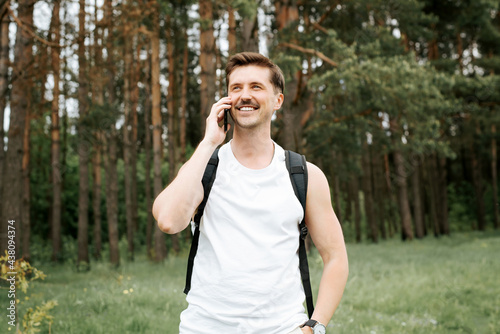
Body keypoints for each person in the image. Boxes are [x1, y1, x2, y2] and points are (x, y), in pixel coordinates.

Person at [153, 52, 348, 334]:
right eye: (236, 88)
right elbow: (168, 221)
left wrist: (314, 327)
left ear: (278, 100)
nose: (245, 95)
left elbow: (336, 258)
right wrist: (209, 142)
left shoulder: (305, 175)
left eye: (256, 87)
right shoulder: (205, 169)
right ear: (226, 100)